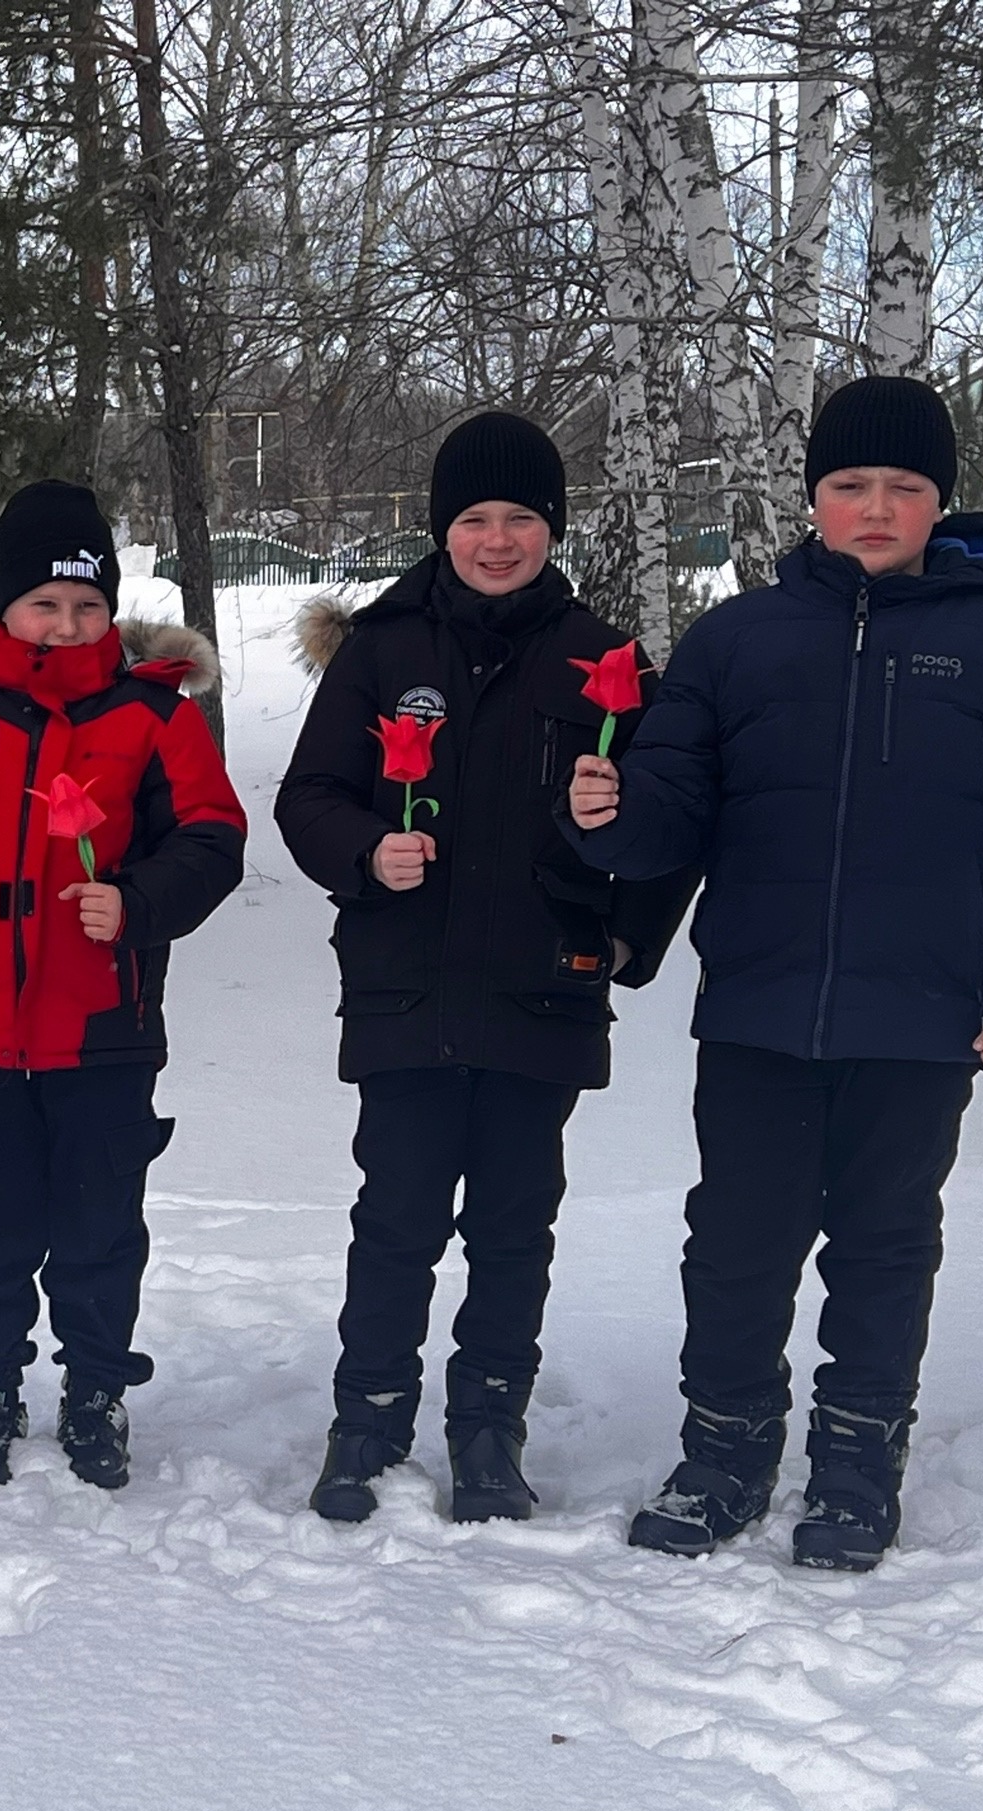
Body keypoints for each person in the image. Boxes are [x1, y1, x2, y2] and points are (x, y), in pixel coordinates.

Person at [564, 375, 983, 1572]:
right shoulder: (737, 638)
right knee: (735, 1243)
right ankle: (722, 1452)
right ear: (812, 497)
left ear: (940, 501)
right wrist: (609, 817)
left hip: (923, 1017)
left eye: (903, 487)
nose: (875, 508)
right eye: (849, 485)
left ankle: (858, 1465)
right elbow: (670, 818)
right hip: (760, 1006)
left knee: (881, 1243)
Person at [276, 411, 696, 1525]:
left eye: (520, 519)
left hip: (539, 989)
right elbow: (307, 796)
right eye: (474, 519)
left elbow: (668, 828)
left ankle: (487, 1427)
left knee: (514, 1226)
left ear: (552, 529)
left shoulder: (602, 662)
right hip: (404, 988)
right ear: (439, 527)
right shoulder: (382, 648)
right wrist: (367, 850)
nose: (497, 540)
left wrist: (623, 939)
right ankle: (364, 1419)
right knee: (397, 1218)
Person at [0, 481, 247, 1493]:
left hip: (101, 1030)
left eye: (85, 606)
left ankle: (96, 1390)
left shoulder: (155, 716)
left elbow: (211, 838)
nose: (65, 626)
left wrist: (138, 900)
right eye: (43, 606)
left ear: (109, 608)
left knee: (98, 1225)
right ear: (1, 609)